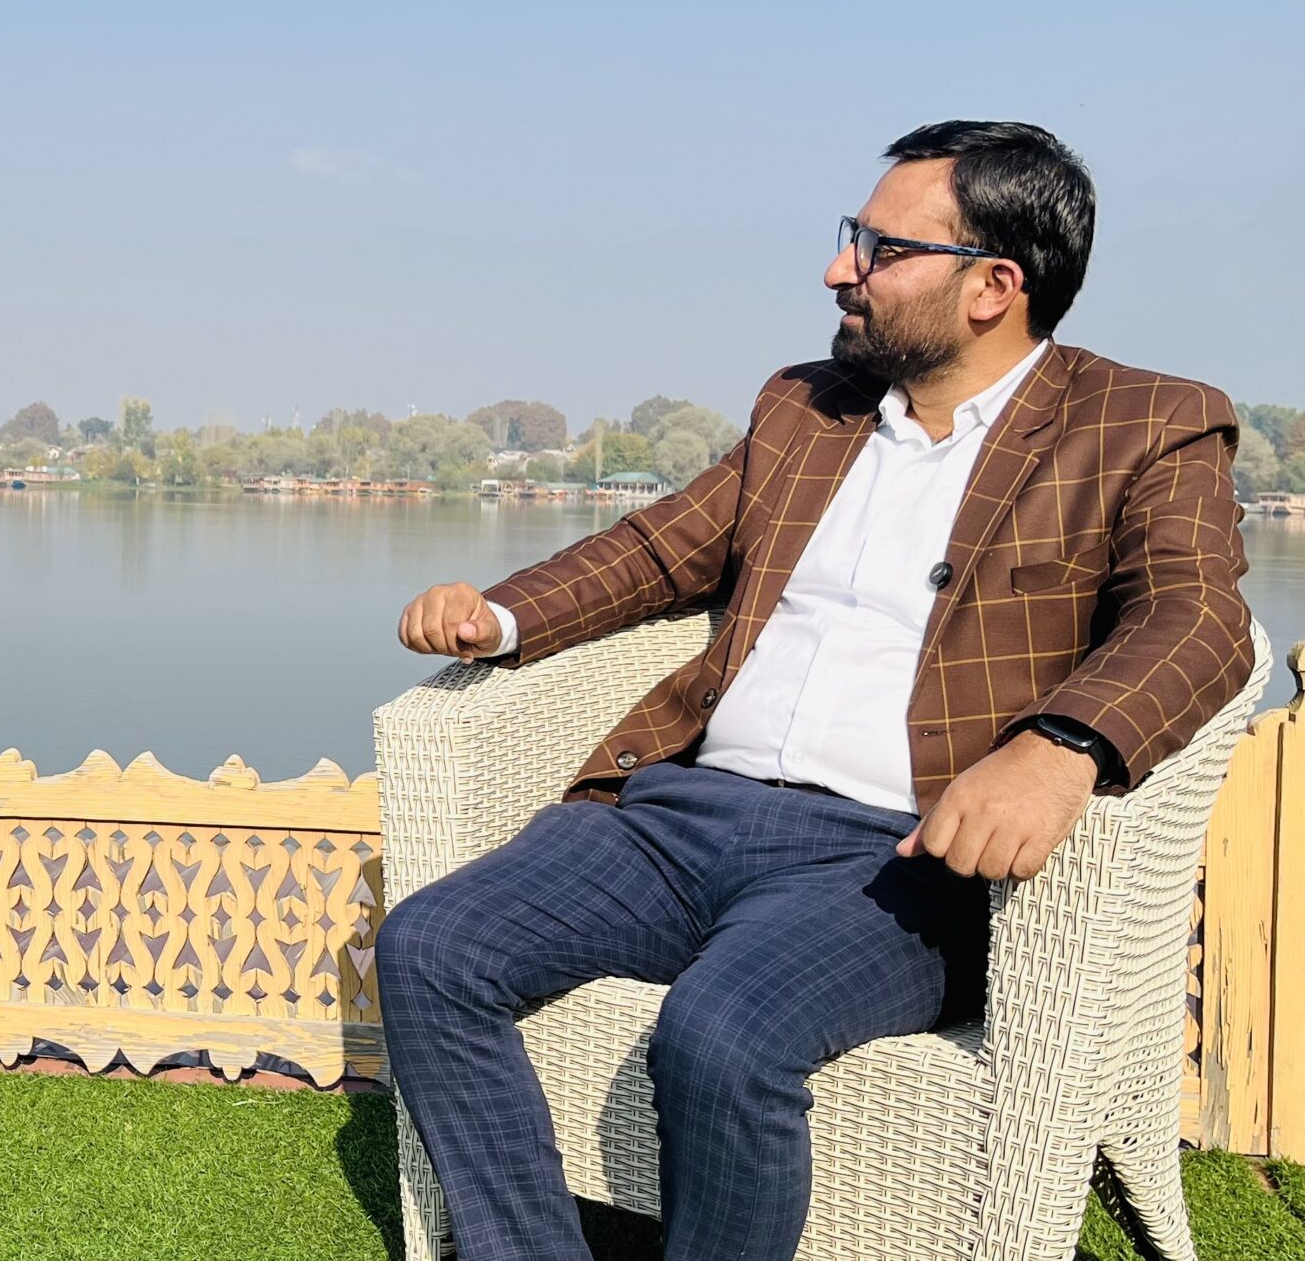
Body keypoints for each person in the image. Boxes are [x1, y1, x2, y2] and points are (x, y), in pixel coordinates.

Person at [378, 120, 1255, 1261]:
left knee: (723, 1033)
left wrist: (1061, 747)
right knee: (431, 947)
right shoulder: (807, 406)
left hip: (896, 860)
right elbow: (659, 550)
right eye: (853, 237)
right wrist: (495, 618)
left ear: (993, 287)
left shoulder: (1143, 423)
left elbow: (1197, 618)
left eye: (881, 248)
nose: (841, 269)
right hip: (678, 818)